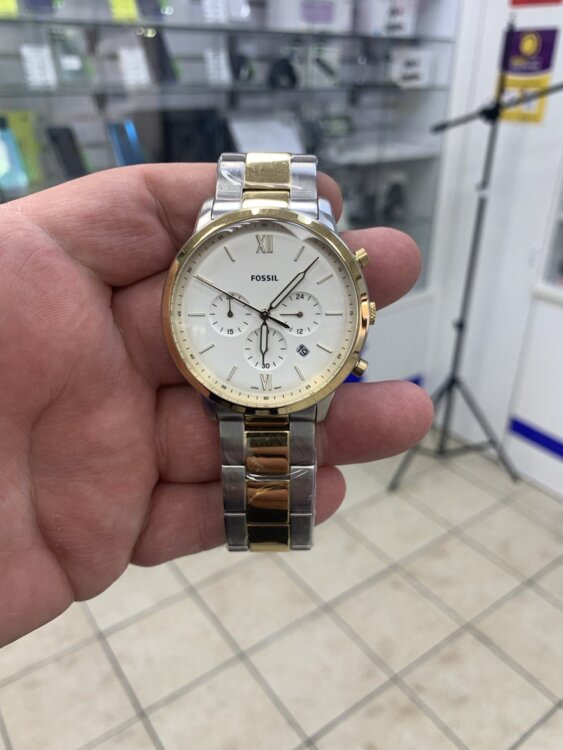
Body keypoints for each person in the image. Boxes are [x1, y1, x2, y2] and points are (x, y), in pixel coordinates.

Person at [0, 163, 433, 646]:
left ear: (361, 313)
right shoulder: (203, 263)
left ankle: (268, 528)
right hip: (235, 386)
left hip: (282, 385)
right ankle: (266, 529)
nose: (264, 314)